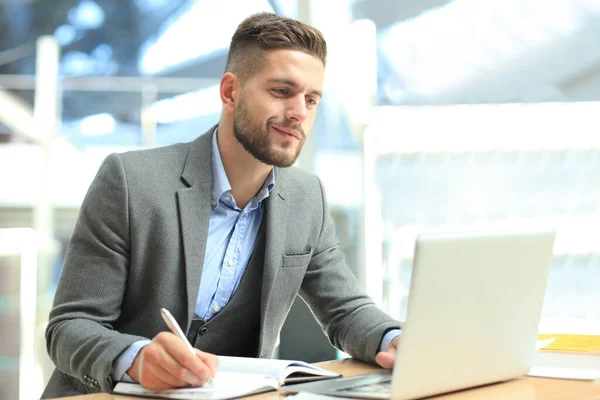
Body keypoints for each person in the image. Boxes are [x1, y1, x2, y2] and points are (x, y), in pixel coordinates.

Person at [42, 12, 401, 399]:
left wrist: (394, 338)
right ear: (230, 92)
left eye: (311, 99)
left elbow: (346, 309)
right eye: (282, 91)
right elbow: (70, 325)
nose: (300, 112)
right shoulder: (129, 181)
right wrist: (136, 358)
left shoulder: (305, 198)